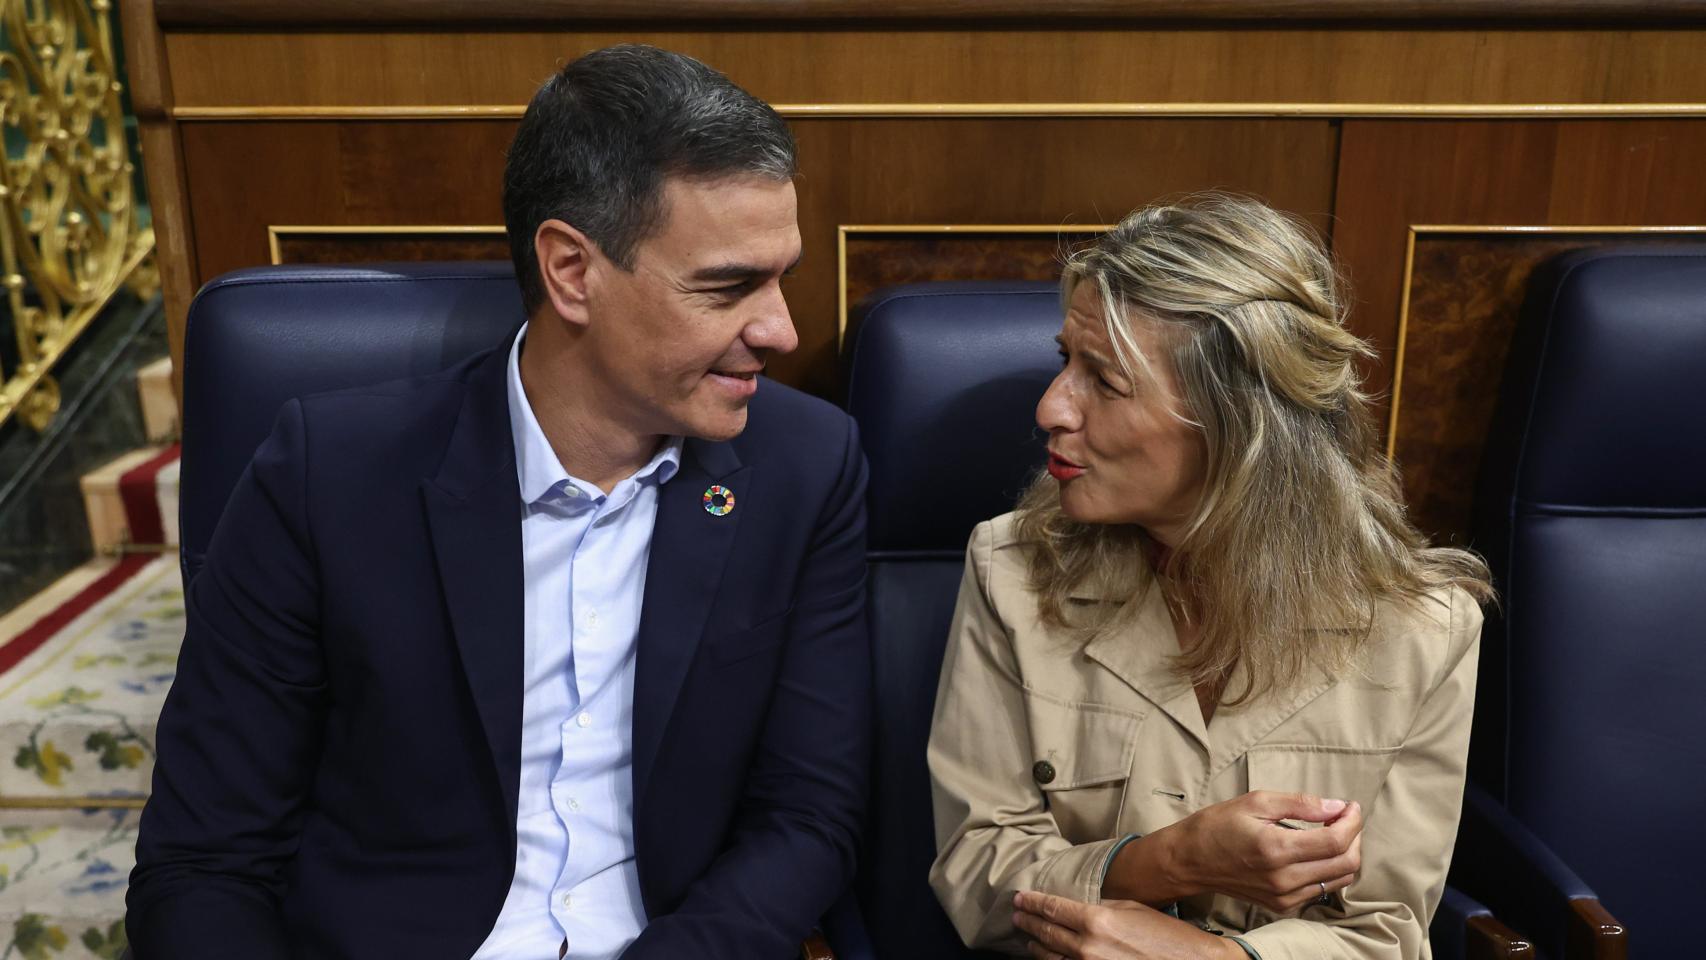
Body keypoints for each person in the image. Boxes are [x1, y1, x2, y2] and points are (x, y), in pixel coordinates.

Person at [127, 45, 871, 960]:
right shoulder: (326, 478)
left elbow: (808, 814)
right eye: (728, 287)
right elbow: (203, 862)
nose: (782, 329)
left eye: (782, 275)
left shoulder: (806, 466)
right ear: (571, 271)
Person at [927, 196, 1490, 960]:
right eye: (1066, 362)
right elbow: (975, 869)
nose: (1051, 407)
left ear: (1238, 423)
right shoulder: (1011, 570)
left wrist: (1220, 958)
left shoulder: (1425, 627)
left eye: (1104, 381)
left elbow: (1385, 931)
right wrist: (1171, 861)